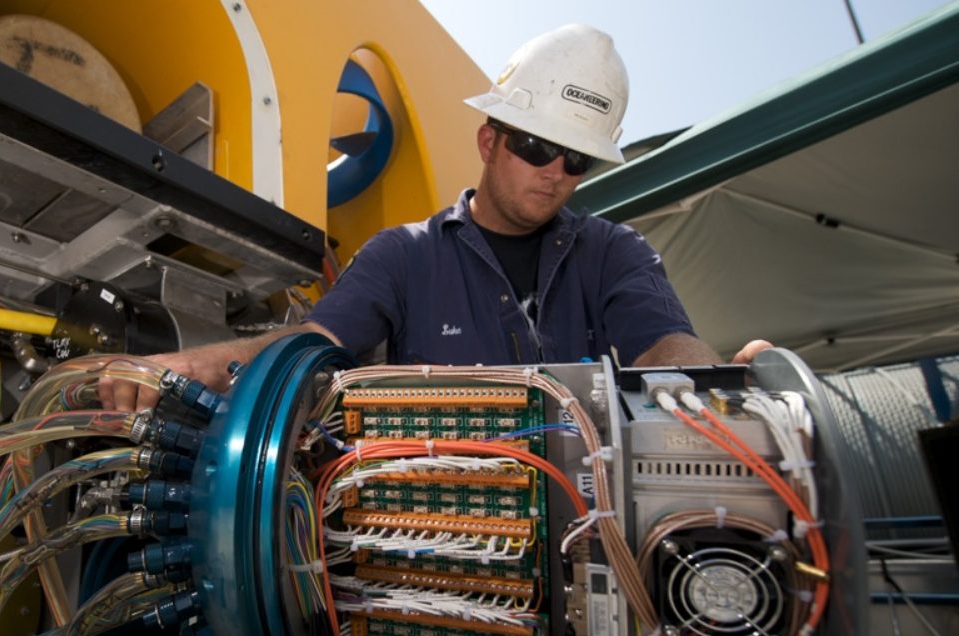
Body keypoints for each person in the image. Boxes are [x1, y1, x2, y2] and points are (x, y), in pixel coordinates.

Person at [101, 23, 770, 412]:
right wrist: (190, 369)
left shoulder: (613, 252)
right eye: (537, 146)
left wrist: (715, 390)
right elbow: (313, 344)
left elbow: (665, 345)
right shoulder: (404, 256)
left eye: (576, 161)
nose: (554, 172)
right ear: (489, 142)